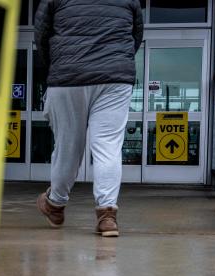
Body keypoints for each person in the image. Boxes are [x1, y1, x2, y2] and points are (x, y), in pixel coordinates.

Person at [34, 0, 144, 237]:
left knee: (68, 147)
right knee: (108, 146)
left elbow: (41, 36)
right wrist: (114, 60)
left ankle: (55, 205)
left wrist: (56, 66)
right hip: (115, 77)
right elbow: (136, 34)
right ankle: (107, 216)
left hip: (68, 74)